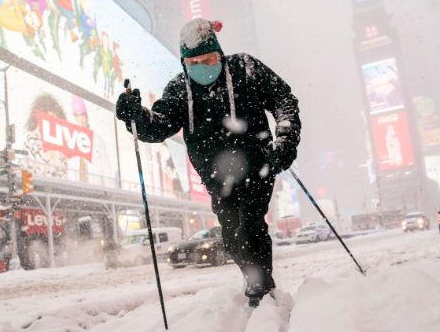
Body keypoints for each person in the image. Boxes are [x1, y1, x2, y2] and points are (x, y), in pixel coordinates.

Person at [115, 18, 301, 307]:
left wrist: (285, 141)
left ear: (220, 54)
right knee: (232, 237)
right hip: (216, 177)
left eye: (210, 58)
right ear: (184, 63)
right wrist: (137, 116)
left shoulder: (245, 69)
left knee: (251, 226)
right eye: (194, 62)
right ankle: (254, 279)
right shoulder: (180, 89)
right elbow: (159, 125)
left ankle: (260, 290)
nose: (203, 66)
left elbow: (283, 100)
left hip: (258, 166)